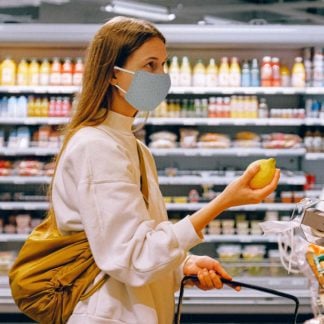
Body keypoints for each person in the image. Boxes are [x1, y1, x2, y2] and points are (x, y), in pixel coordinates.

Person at [51, 16, 280, 324]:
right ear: (111, 74)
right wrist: (224, 202)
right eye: (150, 65)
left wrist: (182, 264)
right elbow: (133, 258)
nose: (161, 76)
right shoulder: (96, 146)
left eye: (163, 64)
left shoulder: (133, 147)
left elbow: (139, 244)